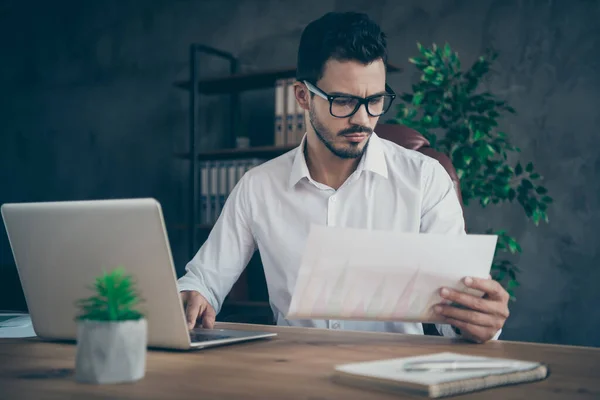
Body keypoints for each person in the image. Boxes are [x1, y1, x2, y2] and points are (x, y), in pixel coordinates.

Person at [178, 11, 510, 343]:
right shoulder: (258, 186)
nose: (363, 120)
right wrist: (194, 294)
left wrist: (477, 319)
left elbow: (457, 309)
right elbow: (204, 280)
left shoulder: (425, 179)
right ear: (302, 97)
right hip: (293, 375)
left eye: (375, 100)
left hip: (396, 374)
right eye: (344, 101)